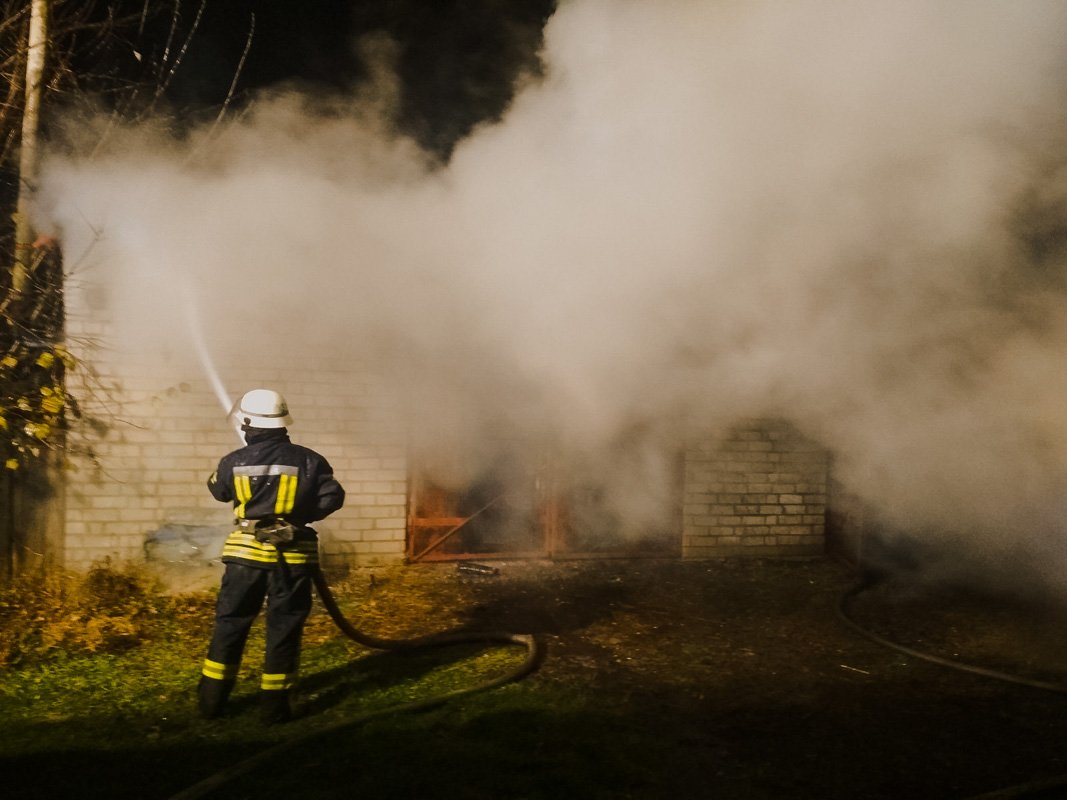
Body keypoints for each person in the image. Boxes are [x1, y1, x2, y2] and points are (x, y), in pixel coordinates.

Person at [198, 388, 345, 724]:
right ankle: (274, 709)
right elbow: (332, 497)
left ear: (248, 424)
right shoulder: (311, 460)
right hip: (292, 559)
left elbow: (218, 490)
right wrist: (299, 517)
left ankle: (211, 703)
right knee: (284, 628)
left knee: (230, 624)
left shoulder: (233, 461)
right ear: (282, 424)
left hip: (244, 558)